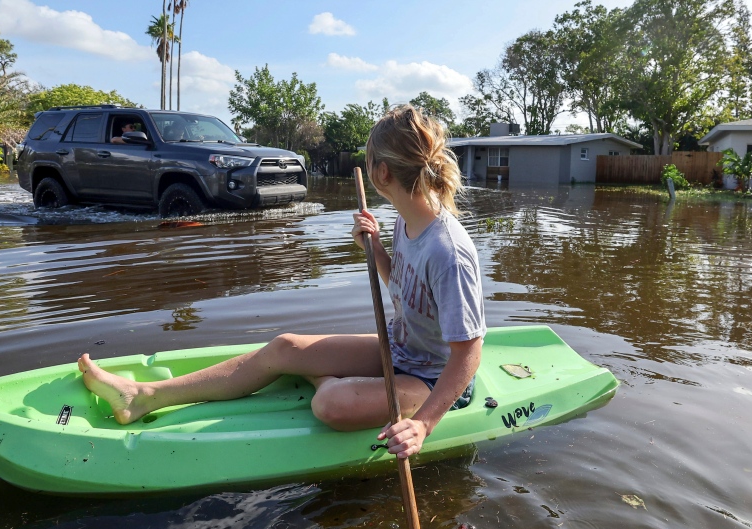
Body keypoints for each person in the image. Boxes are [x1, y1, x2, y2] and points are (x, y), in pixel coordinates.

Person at [78, 105, 485, 459]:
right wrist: (375, 247)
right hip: (398, 349)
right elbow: (406, 289)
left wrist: (424, 425)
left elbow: (468, 353)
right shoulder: (404, 221)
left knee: (330, 403)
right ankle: (145, 396)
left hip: (431, 378)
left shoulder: (448, 251)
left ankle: (335, 382)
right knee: (286, 346)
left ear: (380, 172)